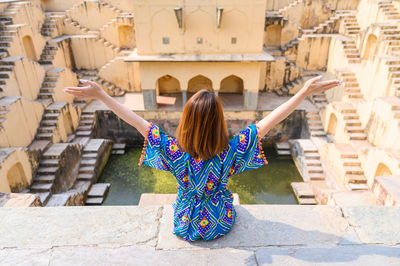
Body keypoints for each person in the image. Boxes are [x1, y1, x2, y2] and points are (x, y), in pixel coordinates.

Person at [64, 76, 340, 241]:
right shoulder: (231, 151)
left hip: (184, 222)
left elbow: (134, 119)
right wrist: (303, 92)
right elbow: (271, 119)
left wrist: (100, 94)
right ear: (219, 122)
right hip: (219, 221)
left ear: (185, 122)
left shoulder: (173, 150)